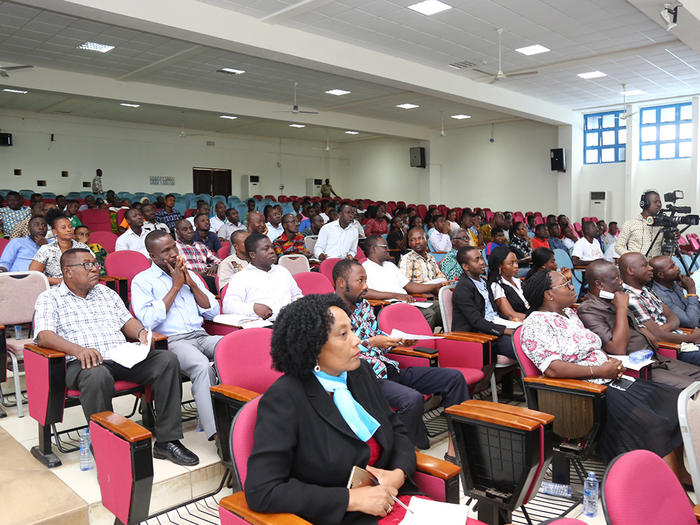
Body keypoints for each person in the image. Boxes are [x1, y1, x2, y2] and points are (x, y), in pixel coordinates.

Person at [245, 294, 424, 523]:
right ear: (313, 346)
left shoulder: (359, 373)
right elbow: (262, 491)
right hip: (341, 517)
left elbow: (396, 430)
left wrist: (397, 475)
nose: (357, 340)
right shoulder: (284, 398)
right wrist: (351, 499)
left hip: (393, 500)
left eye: (352, 330)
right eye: (343, 334)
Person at [34, 247, 198, 465]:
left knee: (167, 360)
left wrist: (140, 333)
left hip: (121, 356)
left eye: (95, 264)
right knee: (96, 375)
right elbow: (44, 335)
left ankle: (167, 441)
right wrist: (78, 350)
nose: (94, 269)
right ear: (68, 271)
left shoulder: (106, 292)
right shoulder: (50, 298)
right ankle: (108, 448)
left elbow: (126, 322)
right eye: (87, 265)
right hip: (84, 362)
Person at [520, 269, 687, 479]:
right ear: (549, 294)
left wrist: (610, 362)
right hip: (587, 393)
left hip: (610, 378)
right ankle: (666, 488)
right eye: (565, 284)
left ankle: (683, 474)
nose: (573, 287)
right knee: (654, 423)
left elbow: (590, 347)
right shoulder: (536, 324)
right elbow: (553, 368)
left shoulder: (570, 314)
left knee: (676, 403)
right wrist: (599, 370)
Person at [333, 259, 469, 458]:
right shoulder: (329, 313)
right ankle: (406, 457)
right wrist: (372, 342)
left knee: (454, 378)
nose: (366, 286)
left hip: (388, 368)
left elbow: (375, 333)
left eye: (366, 280)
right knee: (411, 399)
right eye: (360, 281)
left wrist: (395, 341)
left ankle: (455, 449)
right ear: (341, 282)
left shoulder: (363, 306)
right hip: (365, 378)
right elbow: (336, 352)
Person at [131, 230, 222, 442]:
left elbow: (213, 310)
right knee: (201, 366)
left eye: (173, 247)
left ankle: (240, 413)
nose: (173, 253)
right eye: (165, 251)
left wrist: (190, 283)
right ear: (152, 256)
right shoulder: (142, 281)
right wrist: (176, 286)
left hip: (200, 335)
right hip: (172, 341)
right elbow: (148, 320)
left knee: (234, 349)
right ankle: (217, 433)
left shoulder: (191, 275)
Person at [578, 259, 700, 389]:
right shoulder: (589, 310)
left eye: (620, 277)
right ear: (599, 285)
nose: (620, 282)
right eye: (615, 279)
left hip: (655, 358)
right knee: (694, 388)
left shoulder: (615, 298)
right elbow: (618, 349)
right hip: (637, 369)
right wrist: (621, 309)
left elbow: (646, 331)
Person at [619, 252, 700, 367]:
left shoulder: (646, 290)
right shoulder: (630, 298)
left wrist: (662, 330)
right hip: (673, 348)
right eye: (645, 265)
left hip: (682, 338)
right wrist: (692, 338)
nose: (650, 268)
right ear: (630, 270)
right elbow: (659, 337)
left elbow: (674, 319)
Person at [452, 246, 515, 358]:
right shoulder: (463, 288)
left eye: (482, 258)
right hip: (479, 335)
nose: (482, 262)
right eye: (477, 260)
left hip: (494, 326)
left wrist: (510, 320)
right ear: (466, 266)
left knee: (529, 334)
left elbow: (492, 312)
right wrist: (505, 330)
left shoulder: (484, 282)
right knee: (522, 345)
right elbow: (476, 321)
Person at [222, 234, 302, 322]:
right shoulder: (241, 277)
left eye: (271, 247)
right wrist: (253, 308)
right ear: (253, 255)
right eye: (266, 249)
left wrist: (299, 301)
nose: (272, 251)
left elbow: (296, 295)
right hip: (263, 325)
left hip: (290, 322)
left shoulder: (282, 271)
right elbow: (228, 306)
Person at [30, 212, 89, 286]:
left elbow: (94, 268)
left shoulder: (83, 247)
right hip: (55, 289)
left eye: (70, 227)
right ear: (55, 232)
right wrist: (60, 281)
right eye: (63, 228)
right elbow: (34, 275)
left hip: (82, 286)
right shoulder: (46, 249)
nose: (68, 230)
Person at [650, 255, 700, 328]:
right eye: (672, 267)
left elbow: (689, 307)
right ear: (661, 275)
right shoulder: (660, 296)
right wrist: (692, 291)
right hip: (688, 330)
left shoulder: (674, 283)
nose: (677, 268)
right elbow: (691, 322)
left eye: (675, 264)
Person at [175, 219, 221, 293]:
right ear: (177, 232)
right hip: (189, 279)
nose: (189, 231)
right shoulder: (174, 247)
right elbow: (174, 268)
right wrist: (193, 273)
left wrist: (216, 265)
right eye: (185, 229)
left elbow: (218, 261)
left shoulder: (201, 246)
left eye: (191, 228)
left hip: (208, 276)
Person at [616, 190, 664, 258]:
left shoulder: (661, 225)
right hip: (637, 266)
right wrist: (634, 258)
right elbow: (618, 247)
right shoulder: (630, 223)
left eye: (659, 202)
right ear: (646, 203)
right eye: (655, 202)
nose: (659, 204)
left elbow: (668, 251)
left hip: (656, 266)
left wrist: (673, 236)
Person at [487, 246, 529, 322]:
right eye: (511, 263)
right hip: (520, 322)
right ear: (500, 266)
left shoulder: (518, 281)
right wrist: (536, 318)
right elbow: (510, 314)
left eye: (516, 262)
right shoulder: (497, 286)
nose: (516, 266)